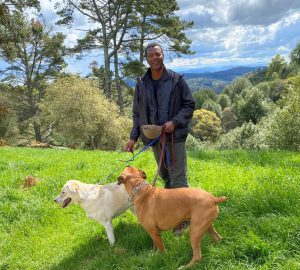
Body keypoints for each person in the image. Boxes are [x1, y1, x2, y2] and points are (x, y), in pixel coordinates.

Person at [125, 42, 195, 235]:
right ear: (146, 59)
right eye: (151, 55)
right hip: (154, 138)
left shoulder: (176, 80)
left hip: (175, 137)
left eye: (158, 54)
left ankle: (185, 219)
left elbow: (189, 105)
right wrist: (134, 137)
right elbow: (137, 113)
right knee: (165, 176)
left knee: (178, 176)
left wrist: (175, 121)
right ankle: (172, 213)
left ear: (163, 55)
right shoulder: (141, 83)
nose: (154, 58)